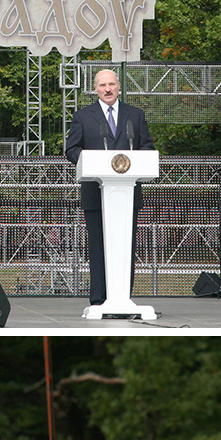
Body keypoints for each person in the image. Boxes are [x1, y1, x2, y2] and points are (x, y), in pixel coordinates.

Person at [65, 64, 155, 310]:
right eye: (102, 85)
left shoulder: (134, 115)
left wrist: (138, 160)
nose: (107, 89)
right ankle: (98, 300)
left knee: (125, 247)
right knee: (98, 247)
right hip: (96, 193)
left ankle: (123, 298)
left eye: (111, 84)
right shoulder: (83, 116)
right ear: (95, 89)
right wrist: (90, 163)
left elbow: (146, 146)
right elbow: (71, 149)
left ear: (118, 87)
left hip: (127, 194)